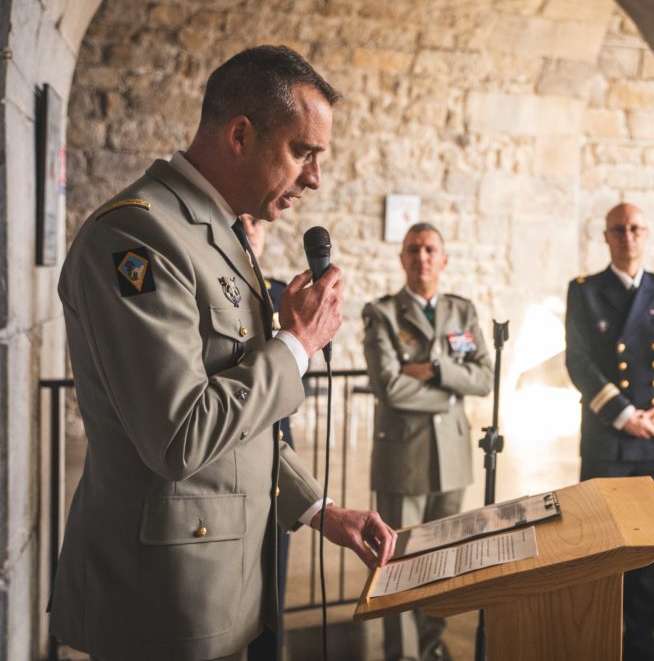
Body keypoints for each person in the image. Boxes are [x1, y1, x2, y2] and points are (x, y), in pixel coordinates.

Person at [49, 45, 397, 661]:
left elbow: (242, 429)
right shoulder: (138, 234)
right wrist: (297, 343)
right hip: (164, 602)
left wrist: (319, 510)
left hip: (228, 580)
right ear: (240, 134)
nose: (314, 178)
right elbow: (180, 435)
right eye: (302, 151)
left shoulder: (221, 234)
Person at [564, 202, 654, 661]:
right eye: (618, 229)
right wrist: (625, 415)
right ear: (606, 237)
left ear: (648, 234)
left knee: (647, 549)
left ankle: (642, 642)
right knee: (601, 549)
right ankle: (596, 638)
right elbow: (579, 362)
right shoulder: (584, 291)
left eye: (636, 228)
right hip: (609, 437)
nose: (628, 236)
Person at [362, 222, 493, 661]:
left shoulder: (463, 311)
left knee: (442, 561)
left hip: (452, 457)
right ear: (402, 259)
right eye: (413, 250)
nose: (422, 257)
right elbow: (390, 388)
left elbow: (486, 378)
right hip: (404, 456)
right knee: (396, 563)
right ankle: (404, 656)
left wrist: (435, 371)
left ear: (444, 259)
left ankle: (434, 649)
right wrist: (454, 389)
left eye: (430, 249)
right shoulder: (382, 314)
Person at [239, 213, 296, 661]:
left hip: (275, 439)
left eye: (255, 220)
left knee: (272, 575)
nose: (246, 225)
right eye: (239, 219)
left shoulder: (281, 294)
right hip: (224, 439)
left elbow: (298, 384)